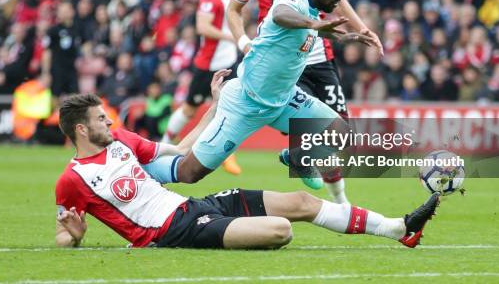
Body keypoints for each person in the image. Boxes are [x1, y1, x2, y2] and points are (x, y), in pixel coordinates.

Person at [55, 75, 439, 250]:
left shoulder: (124, 141)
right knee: (280, 230)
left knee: (300, 203)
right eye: (100, 118)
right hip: (168, 233)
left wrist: (215, 106)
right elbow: (61, 234)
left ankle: (398, 229)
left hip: (193, 207)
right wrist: (74, 236)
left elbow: (180, 154)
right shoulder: (72, 180)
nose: (109, 121)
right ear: (81, 130)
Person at [225, 0, 383, 200]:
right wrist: (243, 42)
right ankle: (328, 189)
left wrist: (361, 28)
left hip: (321, 56)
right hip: (284, 63)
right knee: (310, 127)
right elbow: (234, 9)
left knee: (339, 134)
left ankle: (303, 162)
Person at [161, 0, 242, 175]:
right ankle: (165, 144)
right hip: (208, 66)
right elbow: (202, 27)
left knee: (229, 108)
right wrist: (232, 36)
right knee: (189, 109)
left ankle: (227, 154)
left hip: (228, 63)